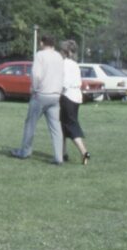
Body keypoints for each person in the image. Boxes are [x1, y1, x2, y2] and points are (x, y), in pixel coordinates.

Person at [11, 34, 65, 164]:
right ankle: (59, 157)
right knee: (56, 127)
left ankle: (25, 151)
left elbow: (36, 74)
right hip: (55, 95)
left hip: (41, 94)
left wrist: (34, 88)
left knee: (30, 124)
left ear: (42, 43)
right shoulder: (59, 56)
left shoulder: (40, 55)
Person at [60, 39, 90, 165]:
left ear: (65, 51)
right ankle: (62, 153)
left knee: (70, 126)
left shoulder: (64, 63)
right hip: (77, 96)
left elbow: (64, 82)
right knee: (62, 125)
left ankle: (84, 152)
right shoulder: (75, 64)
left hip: (67, 96)